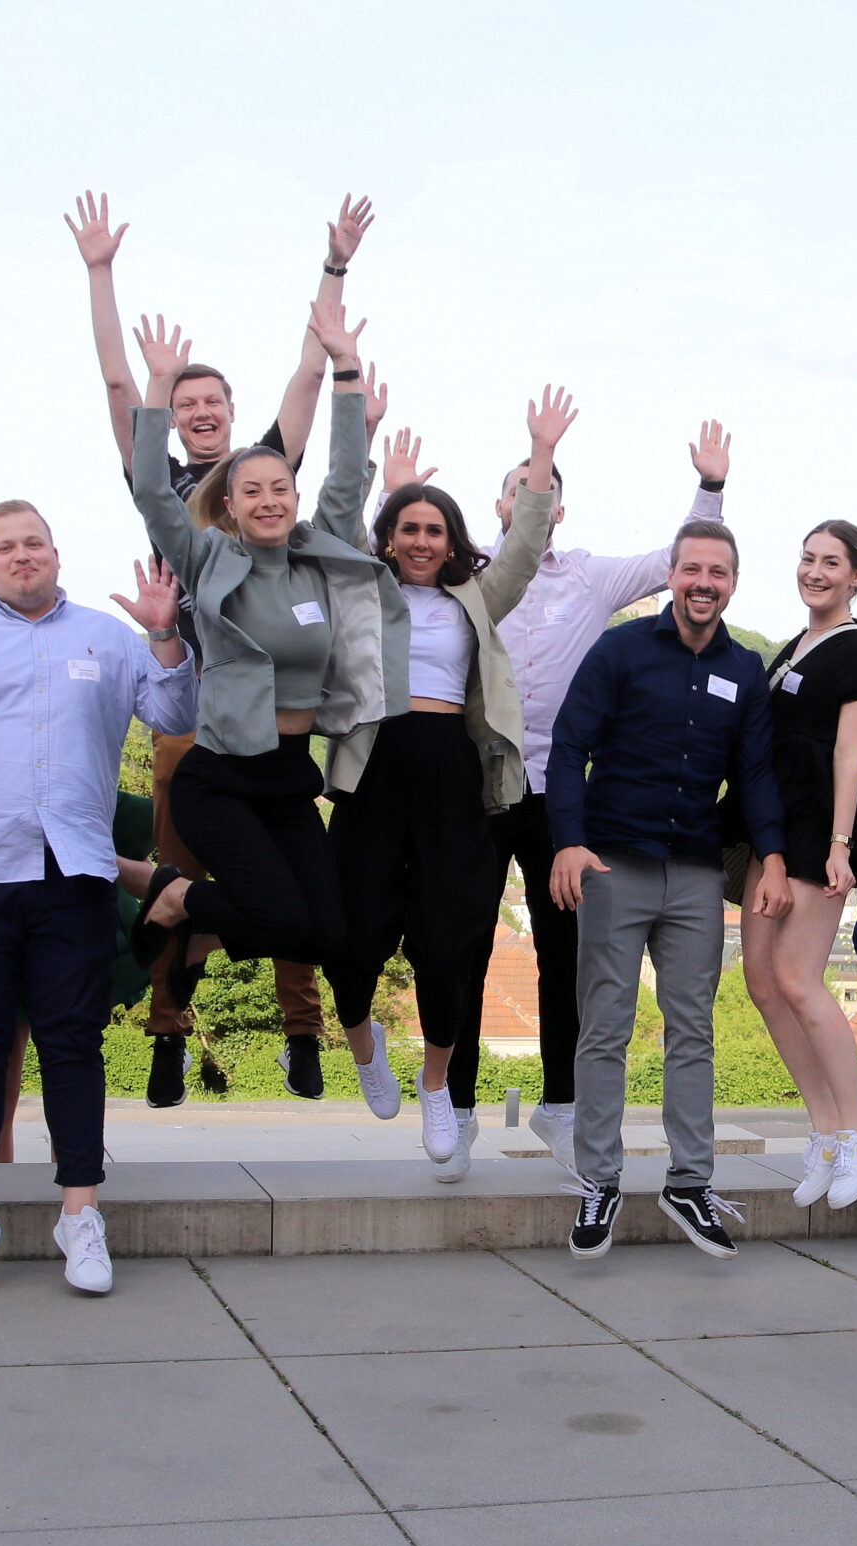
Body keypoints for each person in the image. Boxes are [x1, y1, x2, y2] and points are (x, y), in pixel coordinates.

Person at [72, 191, 372, 1106]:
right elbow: (124, 396)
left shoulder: (271, 485)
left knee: (300, 910)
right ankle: (169, 1021)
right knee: (223, 883)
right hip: (197, 721)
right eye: (187, 402)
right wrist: (103, 280)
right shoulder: (182, 506)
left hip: (284, 754)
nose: (199, 410)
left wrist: (334, 279)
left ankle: (299, 1029)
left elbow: (315, 403)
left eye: (213, 400)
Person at [0, 500, 194, 1300]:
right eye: (4, 547)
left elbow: (177, 713)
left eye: (33, 543)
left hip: (72, 869)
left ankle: (80, 1211)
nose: (21, 556)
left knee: (72, 1045)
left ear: (56, 553)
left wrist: (164, 633)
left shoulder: (106, 635)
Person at [127, 305, 405, 1120]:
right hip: (220, 776)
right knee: (283, 915)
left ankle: (184, 906)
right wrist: (154, 385)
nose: (271, 499)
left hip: (289, 778)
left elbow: (348, 478)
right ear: (232, 504)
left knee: (327, 930)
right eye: (252, 490)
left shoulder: (321, 558)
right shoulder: (210, 557)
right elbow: (151, 488)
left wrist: (347, 372)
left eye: (280, 486)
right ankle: (178, 899)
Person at [444, 422, 735, 1165]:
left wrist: (710, 488)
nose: (532, 497)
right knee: (464, 942)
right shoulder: (470, 573)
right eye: (519, 487)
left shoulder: (588, 576)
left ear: (557, 512)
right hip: (481, 781)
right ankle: (456, 1101)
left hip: (564, 793)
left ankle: (562, 1105)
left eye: (544, 492)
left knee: (565, 950)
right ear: (502, 504)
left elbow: (678, 565)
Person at [330, 389, 568, 1177]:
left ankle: (437, 1085)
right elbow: (333, 529)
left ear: (453, 539)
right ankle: (366, 1045)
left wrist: (539, 453)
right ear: (390, 539)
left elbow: (527, 548)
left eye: (435, 529)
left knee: (449, 943)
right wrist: (367, 456)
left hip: (453, 776)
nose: (424, 540)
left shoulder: (477, 596)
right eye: (410, 528)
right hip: (375, 769)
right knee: (350, 939)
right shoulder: (364, 588)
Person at [548, 521, 790, 1259]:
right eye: (691, 569)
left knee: (694, 1030)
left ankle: (690, 1181)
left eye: (718, 572)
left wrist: (771, 856)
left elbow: (753, 772)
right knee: (605, 1027)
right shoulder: (620, 650)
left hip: (693, 873)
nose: (703, 583)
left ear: (733, 583)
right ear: (673, 576)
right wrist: (567, 840)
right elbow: (568, 746)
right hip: (613, 866)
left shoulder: (745, 669)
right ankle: (598, 1180)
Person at [751, 521, 857, 1212]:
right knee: (761, 980)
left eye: (830, 561)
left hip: (817, 826)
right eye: (806, 557)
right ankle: (827, 1132)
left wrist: (840, 845)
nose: (814, 570)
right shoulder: (792, 646)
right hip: (771, 825)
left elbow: (849, 754)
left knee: (795, 975)